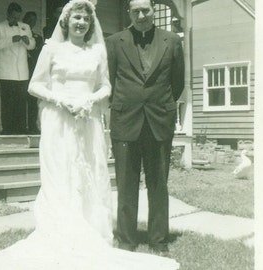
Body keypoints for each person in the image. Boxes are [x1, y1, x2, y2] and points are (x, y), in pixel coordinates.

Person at [0, 1, 179, 269]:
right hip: (59, 120)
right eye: (76, 18)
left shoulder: (97, 52)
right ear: (66, 21)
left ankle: (90, 232)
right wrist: (61, 101)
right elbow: (34, 85)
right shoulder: (51, 48)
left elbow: (105, 87)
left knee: (88, 174)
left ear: (91, 24)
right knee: (61, 175)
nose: (81, 23)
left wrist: (90, 101)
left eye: (86, 19)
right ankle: (61, 234)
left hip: (88, 120)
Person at [106, 0, 185, 253]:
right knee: (126, 184)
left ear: (153, 11)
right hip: (125, 121)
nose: (141, 15)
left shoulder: (171, 41)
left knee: (158, 184)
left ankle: (159, 241)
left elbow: (178, 83)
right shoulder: (115, 41)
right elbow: (110, 80)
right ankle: (126, 241)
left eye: (145, 10)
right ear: (129, 13)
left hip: (159, 121)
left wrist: (159, 104)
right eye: (135, 11)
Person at [0, 2, 35, 135]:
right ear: (8, 14)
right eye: (14, 17)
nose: (16, 20)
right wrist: (11, 40)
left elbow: (32, 44)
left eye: (18, 17)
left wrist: (27, 42)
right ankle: (8, 129)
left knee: (21, 101)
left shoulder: (25, 27)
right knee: (8, 102)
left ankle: (20, 128)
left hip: (22, 71)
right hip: (6, 71)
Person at [22, 11, 44, 134]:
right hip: (18, 71)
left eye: (33, 21)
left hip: (32, 71)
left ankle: (32, 126)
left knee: (32, 99)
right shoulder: (19, 34)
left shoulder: (37, 38)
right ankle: (20, 126)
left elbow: (39, 54)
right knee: (20, 99)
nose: (31, 23)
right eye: (29, 20)